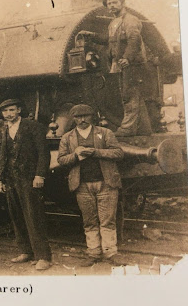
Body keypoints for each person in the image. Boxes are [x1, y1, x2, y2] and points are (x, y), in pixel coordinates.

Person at [57, 104, 124, 266]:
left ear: (92, 117)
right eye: (78, 117)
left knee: (107, 220)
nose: (82, 120)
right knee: (89, 221)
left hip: (106, 183)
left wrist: (96, 152)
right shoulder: (67, 137)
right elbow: (61, 160)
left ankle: (110, 253)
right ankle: (93, 253)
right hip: (82, 185)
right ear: (73, 119)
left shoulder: (105, 133)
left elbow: (118, 153)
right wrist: (76, 156)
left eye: (86, 116)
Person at [81, 0, 152, 137]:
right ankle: (145, 129)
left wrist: (127, 58)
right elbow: (108, 39)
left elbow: (134, 39)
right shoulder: (113, 23)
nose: (112, 5)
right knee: (134, 95)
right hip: (121, 64)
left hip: (132, 65)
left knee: (129, 95)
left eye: (115, 2)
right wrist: (91, 35)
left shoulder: (131, 20)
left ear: (123, 4)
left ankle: (127, 129)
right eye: (109, 4)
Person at [0, 99, 52, 270]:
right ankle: (26, 251)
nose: (8, 114)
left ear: (19, 110)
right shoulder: (4, 129)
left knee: (34, 216)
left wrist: (39, 175)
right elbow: (1, 155)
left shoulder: (33, 126)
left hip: (29, 178)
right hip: (11, 179)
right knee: (16, 215)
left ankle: (44, 257)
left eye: (11, 110)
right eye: (5, 111)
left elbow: (43, 153)